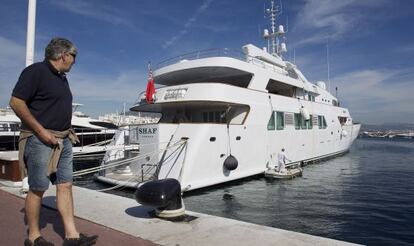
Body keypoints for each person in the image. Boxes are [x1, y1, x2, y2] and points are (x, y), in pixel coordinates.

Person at [10, 38, 98, 246]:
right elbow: (16, 102)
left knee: (65, 185)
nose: (74, 62)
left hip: (63, 139)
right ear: (63, 55)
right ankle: (33, 238)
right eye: (74, 57)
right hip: (40, 139)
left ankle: (72, 236)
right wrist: (40, 132)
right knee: (38, 187)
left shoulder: (61, 78)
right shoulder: (36, 72)